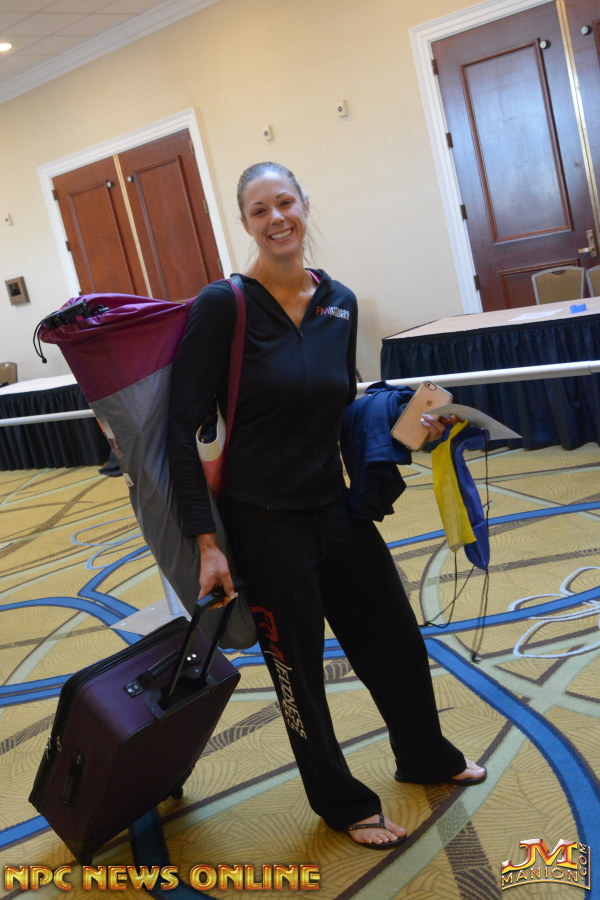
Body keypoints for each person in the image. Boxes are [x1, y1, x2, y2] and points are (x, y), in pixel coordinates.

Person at [167, 161, 486, 849]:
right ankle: (340, 802)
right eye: (260, 210)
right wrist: (206, 543)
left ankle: (424, 754)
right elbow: (180, 430)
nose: (276, 218)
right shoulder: (224, 305)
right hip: (261, 522)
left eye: (285, 203)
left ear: (305, 206)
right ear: (245, 222)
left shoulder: (338, 301)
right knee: (300, 673)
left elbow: (342, 404)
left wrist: (409, 426)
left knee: (394, 641)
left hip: (333, 507)